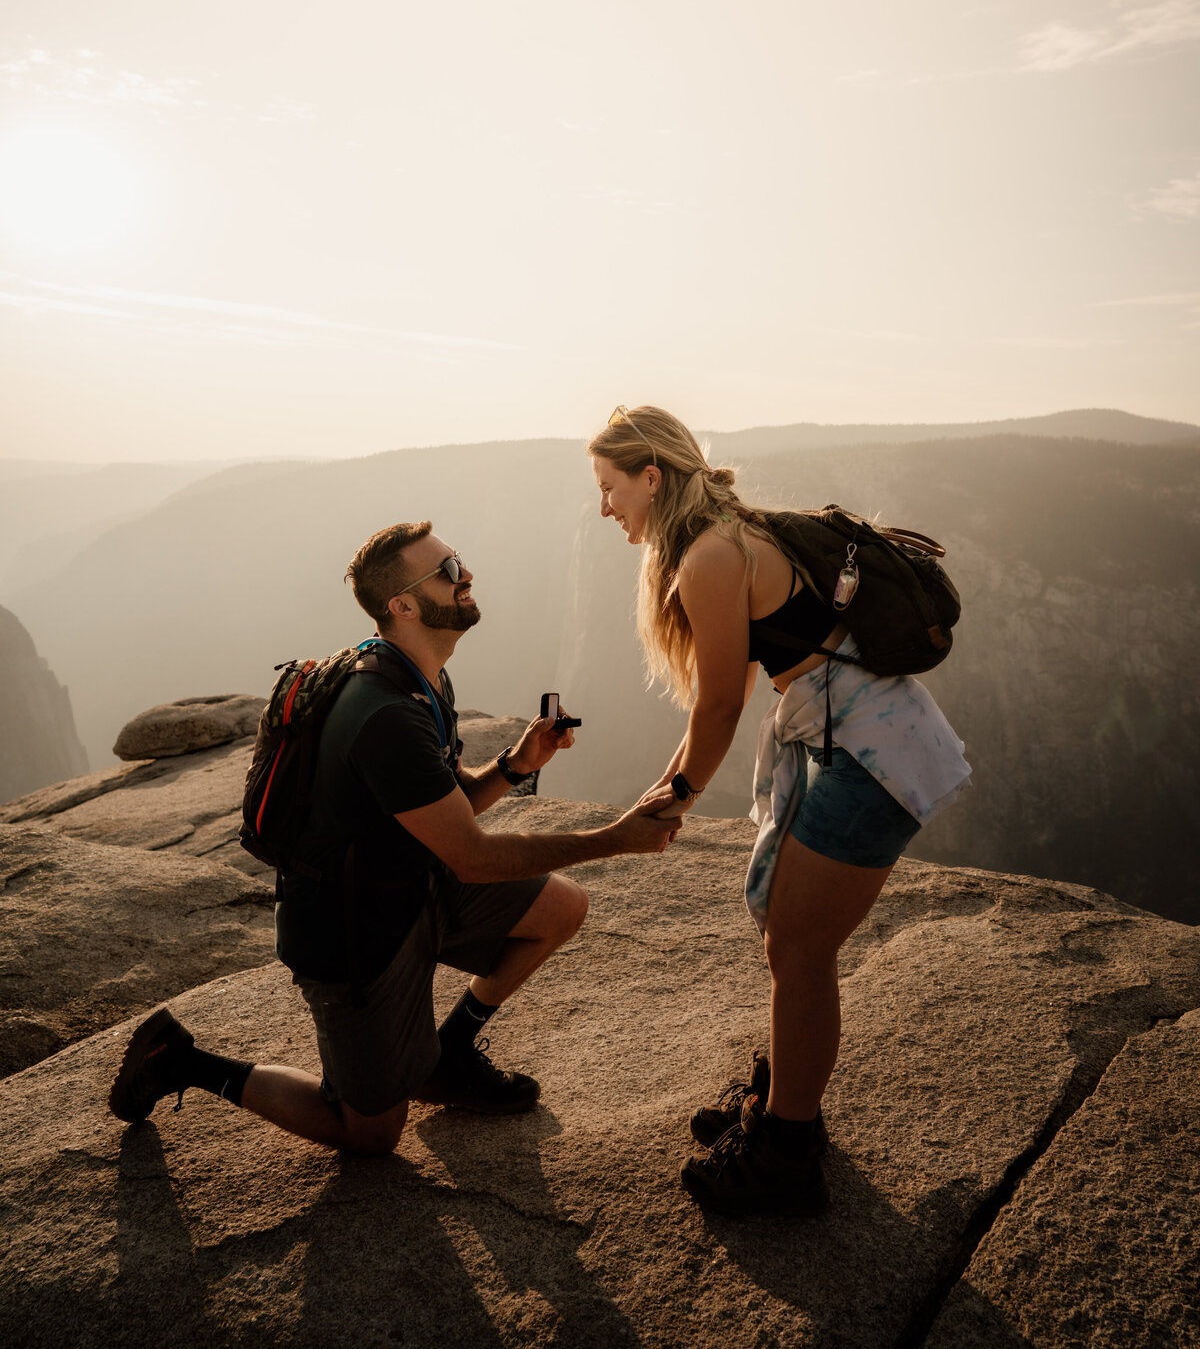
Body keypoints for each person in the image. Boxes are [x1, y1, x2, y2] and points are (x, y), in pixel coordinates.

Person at [109, 519, 679, 1155]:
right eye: (449, 570)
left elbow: (445, 805)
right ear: (403, 605)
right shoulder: (382, 713)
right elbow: (473, 854)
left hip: (412, 886)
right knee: (371, 1136)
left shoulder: (421, 676)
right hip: (355, 933)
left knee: (561, 907)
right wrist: (615, 837)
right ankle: (180, 1060)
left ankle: (449, 1055)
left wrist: (518, 764)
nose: (467, 577)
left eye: (459, 561)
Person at [588, 407, 971, 1217]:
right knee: (789, 939)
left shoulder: (708, 555)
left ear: (650, 476)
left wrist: (676, 795)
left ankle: (787, 1157)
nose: (605, 507)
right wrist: (671, 789)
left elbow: (721, 701)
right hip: (854, 734)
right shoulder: (732, 528)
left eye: (610, 487)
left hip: (873, 754)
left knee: (798, 946)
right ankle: (782, 1100)